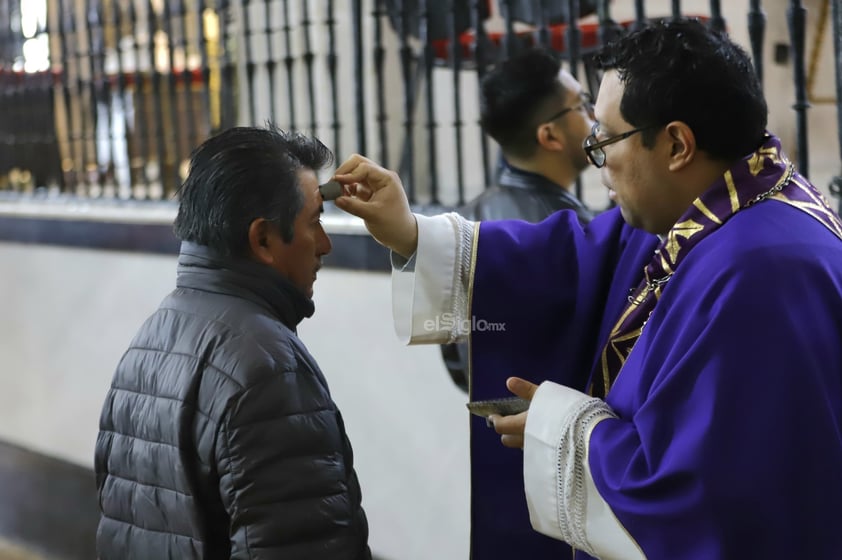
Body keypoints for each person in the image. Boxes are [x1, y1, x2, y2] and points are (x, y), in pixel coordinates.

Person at [331, 18, 842, 560]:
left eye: (606, 139)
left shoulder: (762, 272)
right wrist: (412, 232)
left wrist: (564, 429)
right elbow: (577, 262)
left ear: (676, 145)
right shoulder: (729, 210)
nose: (599, 162)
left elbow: (707, 502)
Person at [94, 125, 371, 559]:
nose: (325, 245)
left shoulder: (149, 341)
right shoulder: (267, 371)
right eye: (314, 222)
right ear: (262, 239)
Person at [442, 47, 596, 393]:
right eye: (582, 103)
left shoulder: (463, 225)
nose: (595, 113)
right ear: (550, 136)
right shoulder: (580, 235)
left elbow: (456, 358)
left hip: (494, 430)